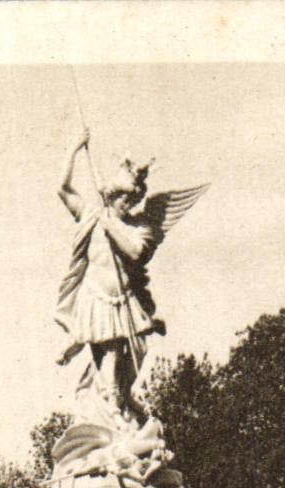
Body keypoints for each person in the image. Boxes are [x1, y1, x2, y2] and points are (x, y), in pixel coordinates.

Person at [55, 128, 207, 434]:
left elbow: (136, 252)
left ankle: (120, 396)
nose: (128, 203)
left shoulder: (139, 227)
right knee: (108, 351)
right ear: (112, 195)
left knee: (136, 352)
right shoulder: (90, 214)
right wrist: (74, 147)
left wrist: (109, 223)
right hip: (96, 297)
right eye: (123, 197)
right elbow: (63, 188)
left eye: (131, 198)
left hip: (126, 301)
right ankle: (111, 404)